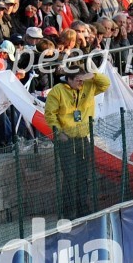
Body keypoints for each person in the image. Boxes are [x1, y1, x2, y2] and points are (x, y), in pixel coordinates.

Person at [44, 67, 109, 217]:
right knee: (70, 177)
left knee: (83, 175)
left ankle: (83, 209)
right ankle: (69, 212)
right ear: (69, 79)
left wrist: (92, 75)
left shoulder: (88, 85)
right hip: (67, 141)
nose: (81, 83)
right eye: (78, 80)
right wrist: (59, 132)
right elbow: (50, 114)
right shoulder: (57, 91)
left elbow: (105, 84)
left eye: (83, 79)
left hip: (82, 138)